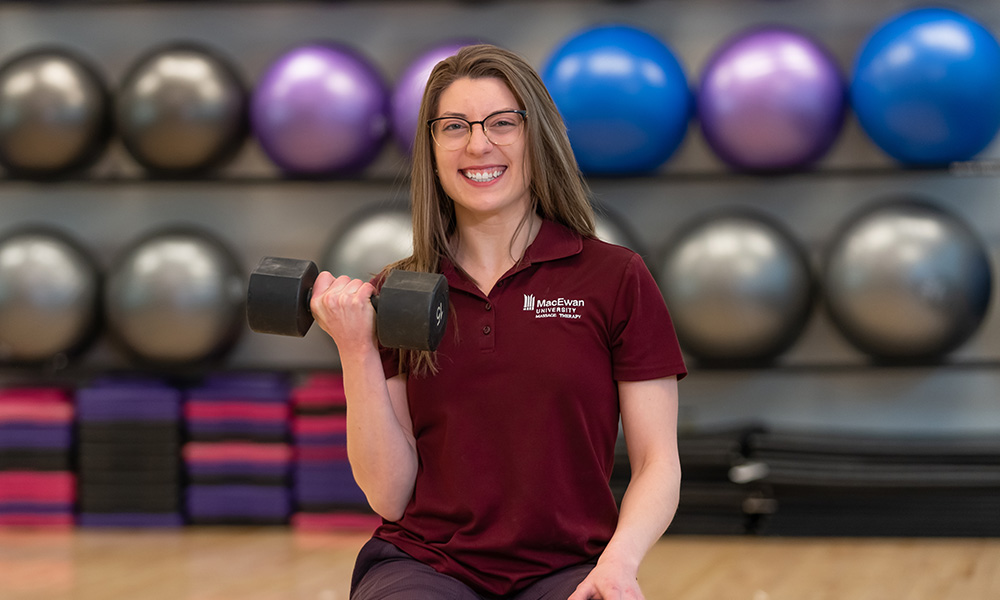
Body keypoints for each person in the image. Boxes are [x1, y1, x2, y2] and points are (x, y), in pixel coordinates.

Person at [308, 43, 687, 600]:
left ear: (538, 137)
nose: (478, 143)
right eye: (454, 125)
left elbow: (658, 463)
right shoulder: (400, 292)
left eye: (502, 122)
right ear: (432, 148)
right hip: (426, 565)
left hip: (570, 566)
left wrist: (619, 564)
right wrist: (356, 350)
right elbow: (390, 497)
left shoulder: (614, 277)